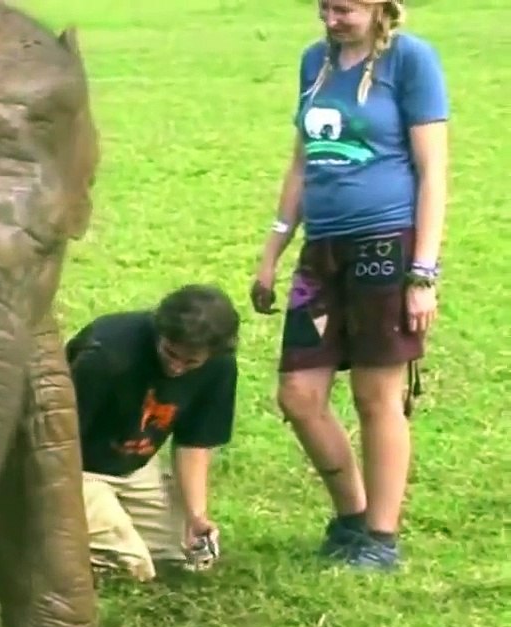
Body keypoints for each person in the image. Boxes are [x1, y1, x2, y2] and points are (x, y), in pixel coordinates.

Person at [250, 0, 447, 571]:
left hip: (387, 245)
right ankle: (352, 516)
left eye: (344, 9)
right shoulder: (316, 61)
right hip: (322, 250)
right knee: (298, 394)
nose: (329, 20)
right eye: (323, 7)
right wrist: (272, 251)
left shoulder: (411, 61)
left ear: (380, 7)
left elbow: (433, 170)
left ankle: (380, 539)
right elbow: (301, 163)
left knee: (375, 395)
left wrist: (423, 273)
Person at [64, 284, 240, 581]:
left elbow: (194, 443)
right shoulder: (107, 353)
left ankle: (101, 527)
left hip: (135, 467)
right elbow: (52, 441)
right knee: (132, 565)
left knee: (184, 556)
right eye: (171, 353)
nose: (177, 367)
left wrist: (196, 516)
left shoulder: (218, 366)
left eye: (190, 362)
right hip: (74, 466)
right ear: (160, 331)